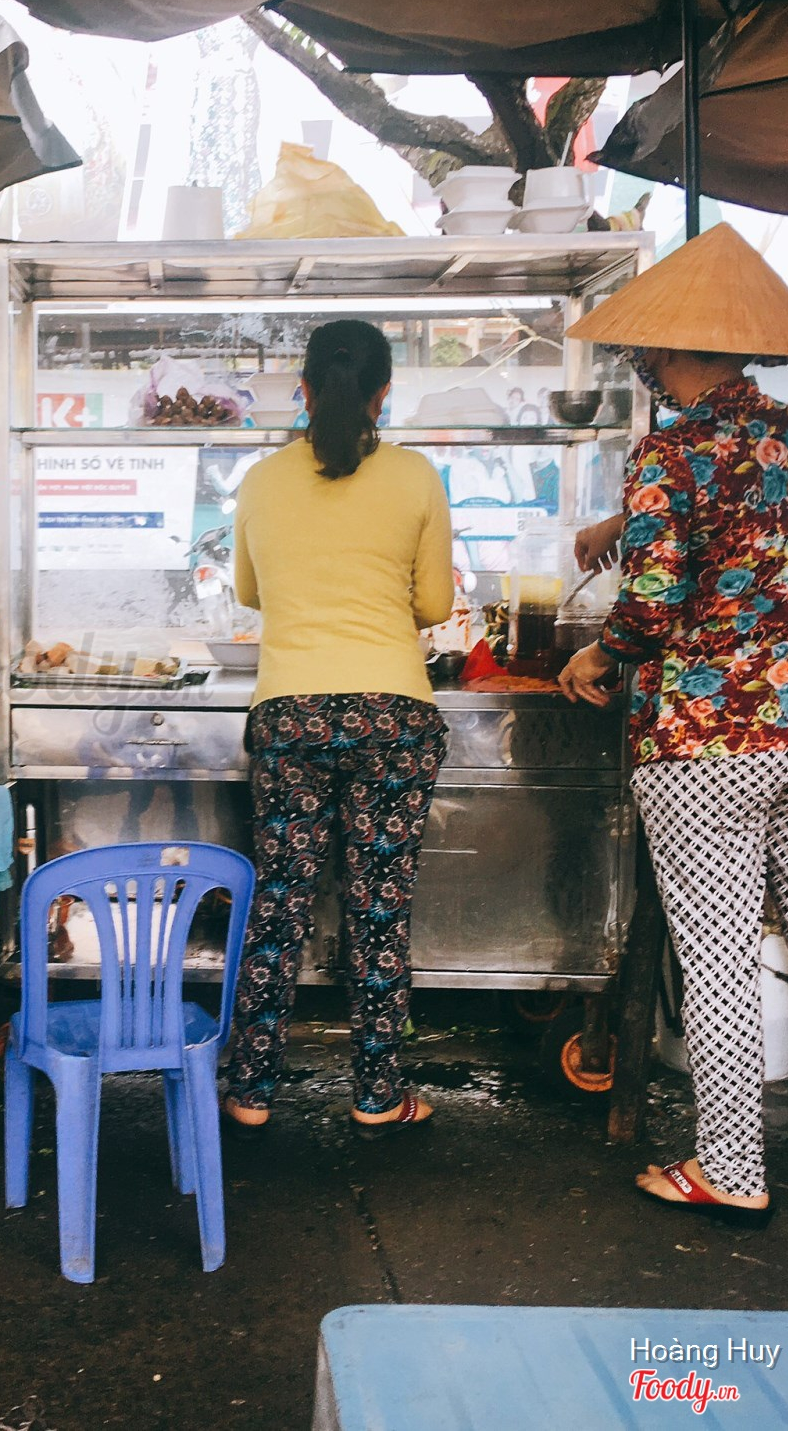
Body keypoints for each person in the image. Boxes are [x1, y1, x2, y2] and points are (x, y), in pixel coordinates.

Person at [558, 223, 788, 1226]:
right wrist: (622, 523)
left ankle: (732, 1169)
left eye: (650, 350)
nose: (646, 363)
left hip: (704, 745)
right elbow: (759, 533)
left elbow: (654, 602)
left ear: (674, 347)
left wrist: (600, 655)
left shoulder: (667, 449)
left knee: (716, 959)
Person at [223, 320, 454, 1136]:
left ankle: (250, 1092)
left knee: (280, 903)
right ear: (383, 392)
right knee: (378, 907)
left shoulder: (261, 480)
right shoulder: (417, 476)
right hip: (394, 715)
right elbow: (435, 605)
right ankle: (378, 1094)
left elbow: (249, 592)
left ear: (305, 389)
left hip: (289, 714)